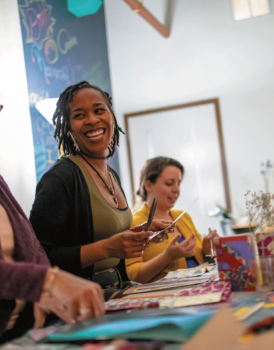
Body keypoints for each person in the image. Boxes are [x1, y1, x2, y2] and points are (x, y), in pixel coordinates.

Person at [30, 81, 170, 298]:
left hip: (119, 290)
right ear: (68, 126)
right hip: (81, 301)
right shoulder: (61, 178)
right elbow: (38, 256)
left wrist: (138, 233)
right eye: (79, 115)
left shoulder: (112, 176)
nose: (92, 120)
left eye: (99, 110)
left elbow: (107, 236)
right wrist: (107, 249)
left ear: (111, 116)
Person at [0, 85, 104, 345]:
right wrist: (46, 281)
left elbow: (32, 245)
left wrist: (48, 295)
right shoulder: (61, 176)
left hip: (26, 330)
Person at [125, 156, 218, 283]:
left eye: (179, 183)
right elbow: (132, 275)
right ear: (148, 185)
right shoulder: (134, 223)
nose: (176, 190)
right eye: (169, 183)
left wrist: (208, 249)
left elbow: (202, 264)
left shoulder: (184, 217)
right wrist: (167, 257)